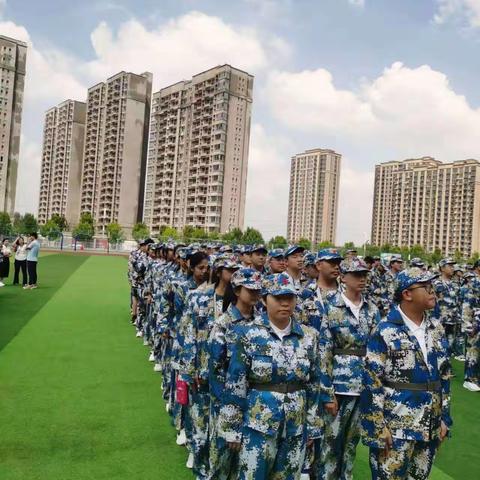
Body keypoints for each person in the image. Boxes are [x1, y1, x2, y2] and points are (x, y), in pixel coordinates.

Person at [219, 273, 323, 479]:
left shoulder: (309, 337)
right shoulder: (248, 334)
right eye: (278, 298)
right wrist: (231, 428)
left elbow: (314, 384)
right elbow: (236, 384)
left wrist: (312, 426)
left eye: (290, 297)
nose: (285, 303)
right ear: (265, 299)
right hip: (258, 424)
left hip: (295, 425)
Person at [361, 267, 452, 480]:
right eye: (426, 287)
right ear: (407, 294)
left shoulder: (436, 328)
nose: (432, 291)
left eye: (432, 286)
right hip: (396, 428)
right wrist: (377, 426)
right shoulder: (385, 330)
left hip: (429, 426)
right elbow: (371, 382)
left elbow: (445, 376)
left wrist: (444, 418)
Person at [316, 258, 380, 480]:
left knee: (351, 444)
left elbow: (377, 351)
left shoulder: (371, 309)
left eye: (364, 275)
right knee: (330, 444)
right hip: (338, 387)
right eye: (356, 275)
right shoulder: (330, 305)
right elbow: (324, 351)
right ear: (343, 277)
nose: (362, 279)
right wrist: (326, 392)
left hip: (362, 386)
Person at [178, 254, 239, 479]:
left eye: (237, 269)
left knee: (224, 427)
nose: (233, 273)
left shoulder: (239, 301)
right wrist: (190, 370)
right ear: (220, 270)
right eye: (229, 269)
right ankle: (197, 455)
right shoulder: (200, 297)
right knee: (200, 419)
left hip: (229, 376)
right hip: (202, 372)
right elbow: (189, 333)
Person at [208, 267, 263, 480]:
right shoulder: (224, 324)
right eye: (250, 289)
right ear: (237, 291)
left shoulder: (262, 323)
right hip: (226, 402)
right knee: (222, 461)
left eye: (258, 290)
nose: (256, 294)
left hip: (255, 402)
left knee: (249, 463)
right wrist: (225, 409)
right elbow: (215, 368)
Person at [433, 258, 461, 359]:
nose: (453, 268)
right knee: (439, 344)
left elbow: (458, 302)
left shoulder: (455, 284)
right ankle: (439, 369)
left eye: (453, 266)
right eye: (450, 266)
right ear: (443, 268)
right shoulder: (435, 283)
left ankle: (447, 370)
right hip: (440, 320)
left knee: (450, 344)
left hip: (453, 319)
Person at [461, 261, 480, 392]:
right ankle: (469, 379)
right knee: (473, 351)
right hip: (475, 321)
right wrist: (468, 325)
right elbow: (467, 305)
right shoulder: (473, 282)